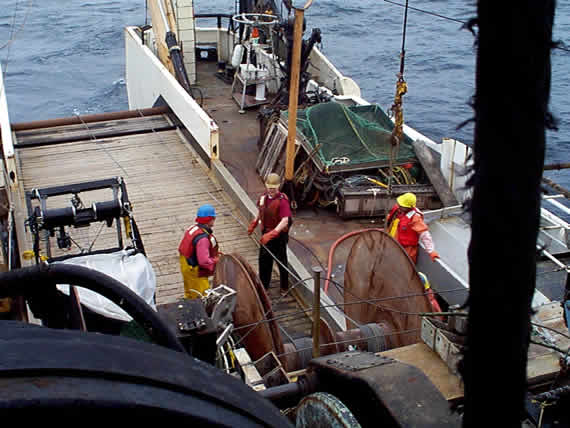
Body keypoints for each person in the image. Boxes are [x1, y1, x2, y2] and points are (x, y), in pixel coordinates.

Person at [248, 173, 292, 295]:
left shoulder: (282, 202)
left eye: (274, 188)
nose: (271, 190)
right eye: (269, 188)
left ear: (278, 187)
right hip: (265, 233)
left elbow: (285, 220)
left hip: (278, 237)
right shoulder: (263, 197)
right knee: (264, 261)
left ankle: (284, 286)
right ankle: (264, 286)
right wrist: (254, 223)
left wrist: (273, 233)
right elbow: (261, 211)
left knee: (281, 261)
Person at [178, 204, 219, 299]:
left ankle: (188, 302)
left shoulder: (193, 228)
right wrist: (216, 261)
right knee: (203, 296)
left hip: (186, 264)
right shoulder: (203, 239)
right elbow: (204, 261)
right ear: (210, 219)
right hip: (194, 270)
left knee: (190, 291)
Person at [386, 192, 439, 264]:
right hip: (395, 244)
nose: (398, 206)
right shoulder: (400, 210)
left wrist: (431, 251)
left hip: (407, 249)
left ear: (408, 207)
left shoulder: (415, 218)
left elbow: (425, 235)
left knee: (406, 264)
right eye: (399, 204)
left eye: (401, 205)